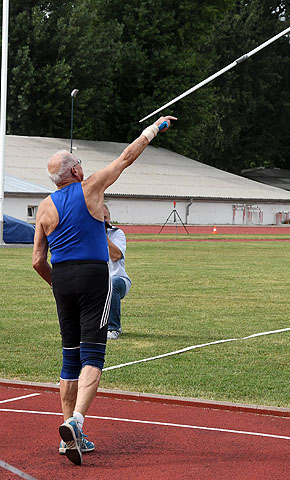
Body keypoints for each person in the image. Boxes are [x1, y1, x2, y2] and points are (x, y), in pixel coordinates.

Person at [32, 115, 176, 465]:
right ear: (76, 172)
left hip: (62, 279)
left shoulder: (45, 206)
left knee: (69, 356)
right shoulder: (91, 186)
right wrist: (154, 129)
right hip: (94, 277)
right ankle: (76, 423)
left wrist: (57, 286)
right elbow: (126, 157)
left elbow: (37, 260)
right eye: (79, 163)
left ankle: (68, 436)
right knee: (93, 354)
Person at [103, 203, 131, 340]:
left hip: (118, 279)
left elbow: (116, 256)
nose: (102, 221)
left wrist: (102, 236)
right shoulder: (86, 235)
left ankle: (113, 328)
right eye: (99, 217)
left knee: (111, 283)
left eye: (105, 217)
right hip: (96, 281)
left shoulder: (117, 233)